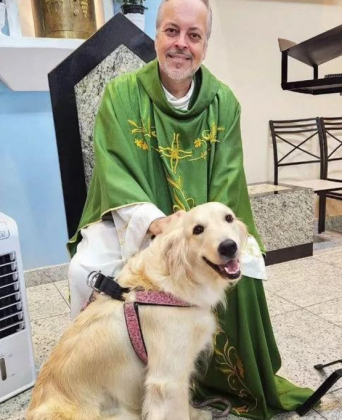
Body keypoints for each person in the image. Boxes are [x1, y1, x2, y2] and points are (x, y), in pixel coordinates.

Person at [67, 0, 312, 418]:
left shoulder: (222, 102)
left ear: (205, 45)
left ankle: (206, 376)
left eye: (194, 36)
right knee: (82, 271)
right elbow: (115, 169)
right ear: (157, 35)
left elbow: (227, 179)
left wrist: (203, 231)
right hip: (137, 220)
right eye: (172, 32)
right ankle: (104, 381)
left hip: (200, 226)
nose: (182, 44)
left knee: (245, 269)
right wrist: (157, 222)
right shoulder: (122, 94)